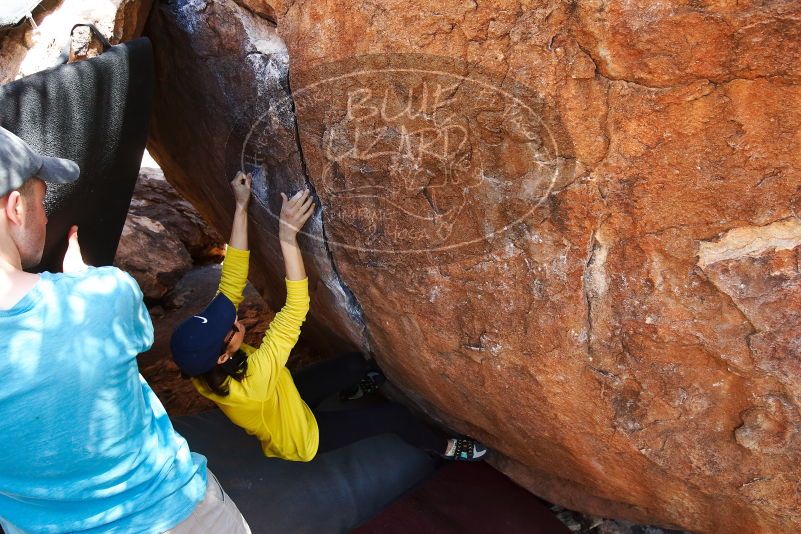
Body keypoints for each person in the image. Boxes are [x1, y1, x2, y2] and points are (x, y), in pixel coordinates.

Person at [0, 126, 249, 533]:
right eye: (44, 201)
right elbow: (259, 301)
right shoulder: (104, 296)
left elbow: (231, 288)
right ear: (16, 208)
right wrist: (83, 284)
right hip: (177, 514)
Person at [170, 171, 486, 463]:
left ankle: (354, 388)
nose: (235, 320)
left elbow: (232, 278)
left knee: (353, 365)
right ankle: (445, 448)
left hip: (283, 395)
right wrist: (287, 237)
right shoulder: (253, 381)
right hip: (301, 435)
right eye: (231, 328)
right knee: (393, 416)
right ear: (224, 356)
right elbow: (294, 310)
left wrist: (241, 206)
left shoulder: (203, 363)